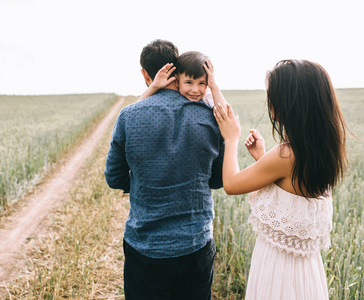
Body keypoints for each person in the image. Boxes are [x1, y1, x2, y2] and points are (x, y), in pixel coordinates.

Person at [212, 59, 347, 300]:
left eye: (271, 97)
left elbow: (231, 184)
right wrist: (262, 158)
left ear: (288, 105)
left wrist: (231, 138)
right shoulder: (324, 151)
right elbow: (292, 191)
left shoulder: (285, 155)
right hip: (306, 273)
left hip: (278, 270)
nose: (268, 104)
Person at [104, 39, 225, 299]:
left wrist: (139, 182)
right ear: (178, 69)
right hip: (196, 245)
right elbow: (217, 180)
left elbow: (113, 177)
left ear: (145, 74)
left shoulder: (129, 115)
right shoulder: (212, 117)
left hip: (145, 247)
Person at [138, 50, 226, 109]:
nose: (195, 90)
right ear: (177, 81)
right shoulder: (174, 93)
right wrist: (154, 86)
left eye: (202, 83)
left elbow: (225, 114)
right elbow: (137, 106)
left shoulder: (207, 94)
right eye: (189, 82)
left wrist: (213, 86)